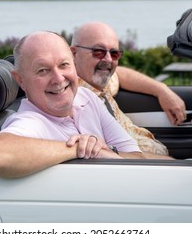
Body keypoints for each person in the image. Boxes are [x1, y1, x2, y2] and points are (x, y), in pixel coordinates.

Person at [0, 31, 175, 179]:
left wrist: (106, 152)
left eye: (64, 65)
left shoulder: (85, 96)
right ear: (21, 80)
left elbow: (137, 158)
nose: (58, 79)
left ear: (74, 64)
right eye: (43, 70)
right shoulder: (31, 121)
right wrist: (79, 150)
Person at [70, 22, 186, 156]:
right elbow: (112, 156)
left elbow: (120, 74)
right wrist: (175, 165)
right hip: (144, 168)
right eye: (99, 51)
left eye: (114, 53)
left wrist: (162, 90)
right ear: (74, 54)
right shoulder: (74, 100)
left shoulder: (98, 81)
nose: (108, 59)